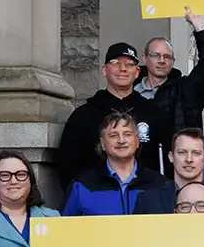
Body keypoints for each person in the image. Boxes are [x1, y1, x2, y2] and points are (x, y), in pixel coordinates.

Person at [54, 42, 163, 186]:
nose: (122, 68)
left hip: (144, 198)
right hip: (96, 199)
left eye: (129, 64)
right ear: (104, 70)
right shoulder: (83, 116)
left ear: (137, 72)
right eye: (115, 63)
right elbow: (67, 164)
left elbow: (165, 161)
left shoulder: (153, 113)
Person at [134, 12, 204, 159]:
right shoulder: (131, 91)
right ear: (144, 58)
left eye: (167, 57)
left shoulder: (185, 90)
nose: (162, 60)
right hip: (138, 170)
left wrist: (199, 27)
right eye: (156, 55)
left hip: (176, 170)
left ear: (172, 62)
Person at [63, 111, 163, 216]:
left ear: (137, 141)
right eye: (113, 135)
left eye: (127, 134)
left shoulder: (159, 184)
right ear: (102, 143)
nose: (121, 140)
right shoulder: (81, 186)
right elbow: (64, 228)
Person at [135, 128, 204, 214]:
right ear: (171, 157)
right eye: (182, 152)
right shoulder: (147, 200)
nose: (189, 159)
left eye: (196, 153)